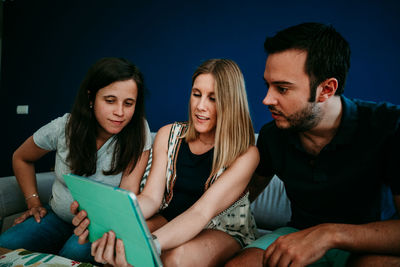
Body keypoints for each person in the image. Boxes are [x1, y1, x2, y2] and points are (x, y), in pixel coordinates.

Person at [226, 22, 400, 266]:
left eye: (283, 89)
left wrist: (329, 234)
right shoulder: (273, 135)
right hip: (298, 233)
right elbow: (239, 197)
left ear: (326, 89)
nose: (266, 99)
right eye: (268, 85)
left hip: (368, 241)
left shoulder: (389, 126)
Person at [71, 58, 260, 266]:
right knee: (120, 243)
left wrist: (151, 244)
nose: (200, 106)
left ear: (231, 102)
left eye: (213, 98)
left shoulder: (247, 153)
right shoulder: (168, 134)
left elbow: (201, 212)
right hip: (169, 218)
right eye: (196, 94)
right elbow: (151, 198)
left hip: (219, 228)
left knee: (175, 259)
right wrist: (107, 218)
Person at [0, 57, 152, 264]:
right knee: (7, 243)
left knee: (73, 256)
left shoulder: (138, 132)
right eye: (110, 100)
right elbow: (21, 157)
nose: (120, 112)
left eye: (129, 103)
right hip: (56, 217)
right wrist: (33, 201)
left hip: (101, 226)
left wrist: (96, 224)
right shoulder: (65, 127)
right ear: (91, 98)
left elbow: (126, 195)